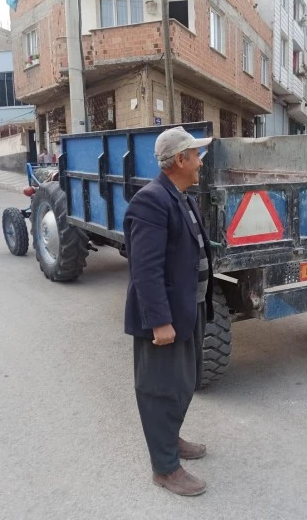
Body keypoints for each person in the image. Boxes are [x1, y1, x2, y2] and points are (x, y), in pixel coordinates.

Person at [124, 126, 214, 496]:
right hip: (165, 319)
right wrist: (159, 321)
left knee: (183, 382)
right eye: (196, 155)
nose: (200, 163)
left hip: (188, 309)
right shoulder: (151, 201)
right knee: (161, 389)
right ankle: (164, 468)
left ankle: (170, 439)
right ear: (180, 160)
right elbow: (145, 269)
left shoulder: (181, 195)